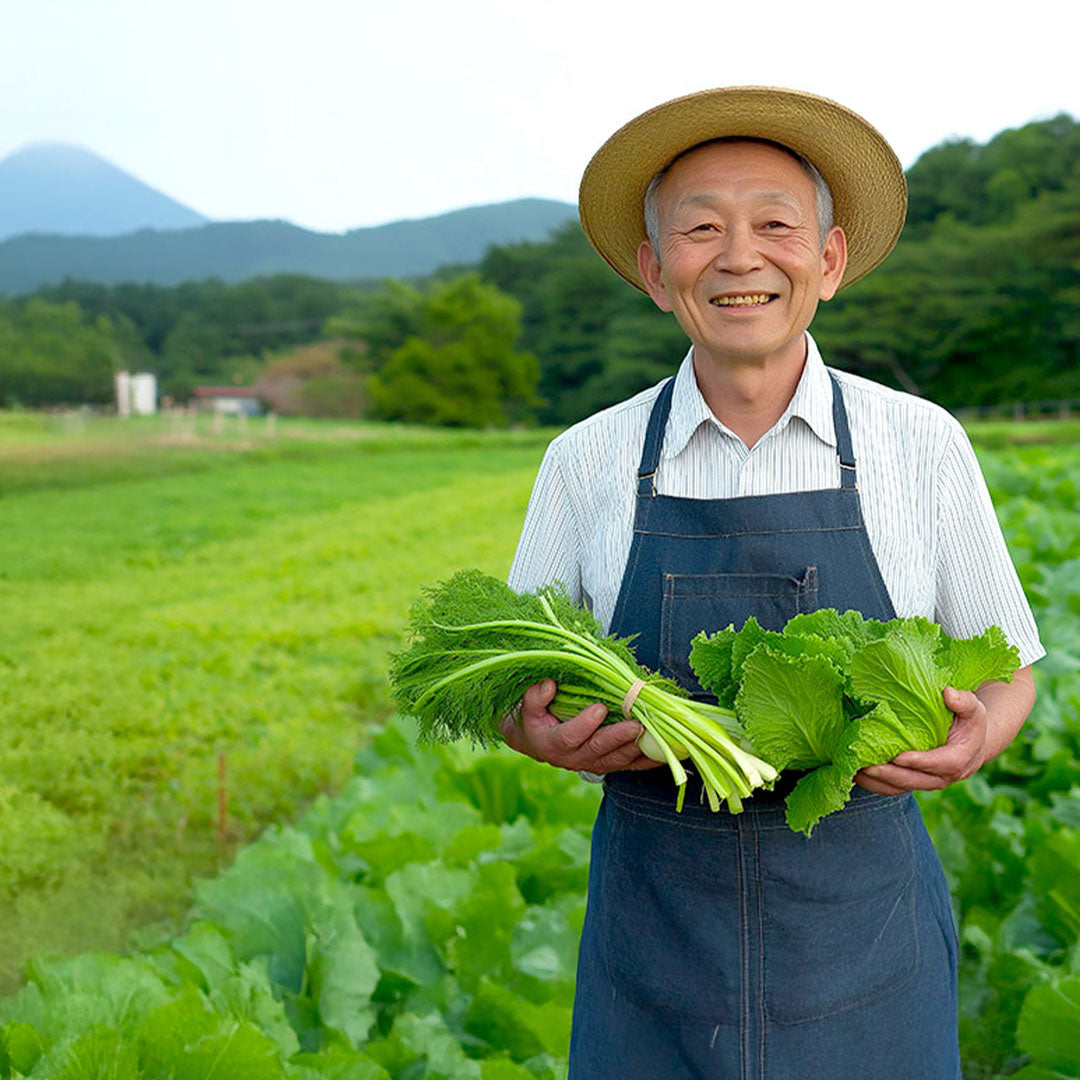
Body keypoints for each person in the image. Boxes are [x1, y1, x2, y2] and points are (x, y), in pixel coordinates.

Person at [500, 87, 1043, 1080]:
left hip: (866, 943)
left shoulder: (919, 445)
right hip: (654, 946)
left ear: (827, 262)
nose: (740, 256)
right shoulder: (588, 461)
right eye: (702, 229)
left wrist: (979, 735)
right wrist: (532, 733)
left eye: (775, 225)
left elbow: (1010, 666)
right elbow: (513, 682)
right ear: (656, 272)